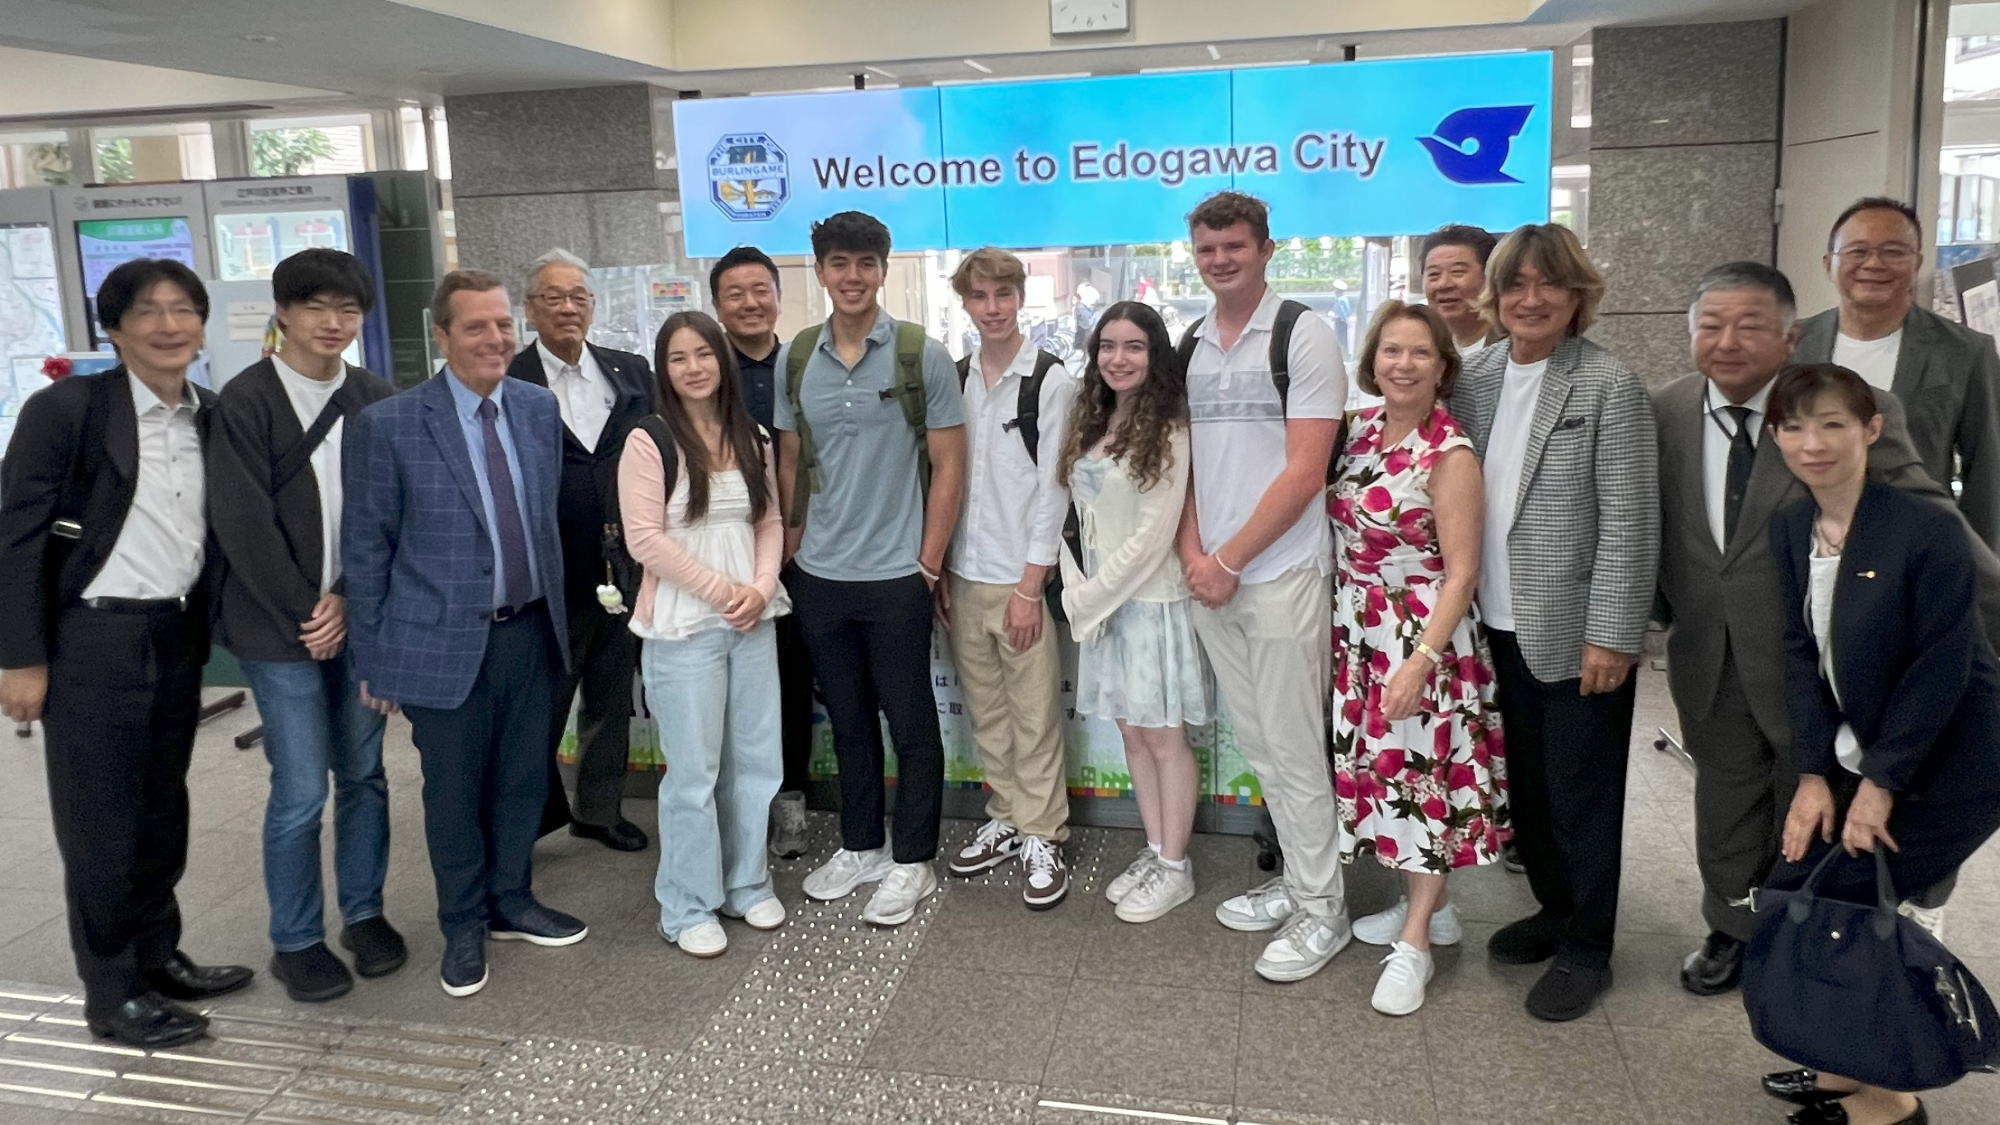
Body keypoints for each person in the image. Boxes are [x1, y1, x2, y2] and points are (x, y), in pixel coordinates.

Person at [1653, 261, 2000, 999]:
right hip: (1707, 649)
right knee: (1724, 797)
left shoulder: (1845, 408)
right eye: (1711, 325)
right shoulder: (1666, 408)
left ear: (1791, 337)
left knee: (1808, 795)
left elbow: (1928, 512)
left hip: (1812, 660)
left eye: (1750, 325)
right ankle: (1730, 925)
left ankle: (1801, 932)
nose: (1727, 341)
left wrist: (1990, 601)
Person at [0, 259, 251, 1048]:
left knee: (160, 811)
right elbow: (15, 538)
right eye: (147, 310)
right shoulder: (67, 409)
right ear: (113, 328)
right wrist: (20, 657)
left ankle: (157, 954)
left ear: (202, 324)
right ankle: (111, 994)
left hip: (173, 634)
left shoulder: (209, 414)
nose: (169, 325)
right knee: (101, 824)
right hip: (91, 639)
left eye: (184, 309)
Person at [1754, 362, 2000, 1125]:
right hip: (1868, 749)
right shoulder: (1793, 527)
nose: (1813, 442)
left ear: (1871, 429)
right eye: (1795, 425)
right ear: (1776, 436)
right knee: (1805, 885)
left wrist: (1880, 784)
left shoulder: (1924, 528)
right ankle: (1840, 1071)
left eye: (1833, 423)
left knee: (1852, 901)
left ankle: (1890, 1099)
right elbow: (1801, 654)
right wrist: (1812, 774)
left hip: (1958, 759)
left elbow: (1941, 667)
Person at [344, 270, 588, 998]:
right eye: (476, 326)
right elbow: (367, 548)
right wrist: (373, 657)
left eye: (503, 324)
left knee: (522, 781)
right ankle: (462, 925)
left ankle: (512, 900)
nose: (495, 338)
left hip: (531, 632)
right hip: (440, 643)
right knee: (453, 795)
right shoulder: (389, 423)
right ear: (442, 336)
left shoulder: (537, 408)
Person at [1450, 223, 1658, 1021]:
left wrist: (1613, 632)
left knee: (1582, 796)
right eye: (1515, 284)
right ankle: (1552, 906)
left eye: (1548, 283)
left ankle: (1587, 945)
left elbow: (1630, 520)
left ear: (1578, 295)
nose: (1530, 298)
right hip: (1489, 626)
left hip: (1574, 631)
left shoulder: (1608, 385)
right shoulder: (1476, 375)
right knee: (1527, 790)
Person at [208, 249, 401, 1002]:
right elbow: (241, 521)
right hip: (274, 628)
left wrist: (347, 598)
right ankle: (295, 939)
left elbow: (390, 510)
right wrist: (307, 611)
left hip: (357, 619)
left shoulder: (373, 396)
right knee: (298, 788)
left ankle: (364, 913)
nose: (332, 322)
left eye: (347, 309)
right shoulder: (246, 400)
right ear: (283, 312)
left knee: (364, 774)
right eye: (315, 306)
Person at [1173, 191, 1350, 983]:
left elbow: (1305, 471)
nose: (1220, 260)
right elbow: (1180, 468)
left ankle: (1324, 910)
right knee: (1262, 748)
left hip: (1279, 576)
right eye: (1208, 249)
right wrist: (1194, 556)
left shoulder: (1302, 334)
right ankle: (1301, 882)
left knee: (1295, 749)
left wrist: (1230, 559)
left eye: (1234, 246)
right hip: (1213, 581)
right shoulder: (1189, 344)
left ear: (1266, 249)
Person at [776, 212, 967, 928]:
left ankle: (913, 858)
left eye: (865, 263)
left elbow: (950, 463)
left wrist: (929, 562)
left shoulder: (921, 354)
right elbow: (791, 461)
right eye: (838, 263)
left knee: (910, 720)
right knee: (849, 720)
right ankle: (861, 844)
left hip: (897, 575)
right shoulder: (799, 357)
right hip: (820, 574)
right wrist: (791, 556)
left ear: (883, 271)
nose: (851, 276)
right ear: (820, 271)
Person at [1329, 300, 1507, 1017]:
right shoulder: (1359, 431)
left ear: (1442, 367)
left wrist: (1420, 660)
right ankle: (1431, 909)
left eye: (1420, 353)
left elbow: (1462, 574)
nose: (1403, 364)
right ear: (1373, 360)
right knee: (1387, 776)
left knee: (1425, 779)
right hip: (1360, 630)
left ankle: (1415, 945)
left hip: (1420, 636)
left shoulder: (1450, 453)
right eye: (1391, 350)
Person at [620, 311, 789, 957]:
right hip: (684, 627)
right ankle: (687, 904)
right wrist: (724, 592)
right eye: (678, 357)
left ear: (723, 360)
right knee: (693, 773)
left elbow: (769, 520)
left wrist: (761, 586)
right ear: (663, 370)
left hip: (753, 619)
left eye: (703, 354)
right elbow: (645, 540)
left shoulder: (753, 435)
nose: (693, 368)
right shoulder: (650, 440)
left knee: (755, 760)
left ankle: (747, 883)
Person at [1059, 301, 1212, 923]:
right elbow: (1079, 520)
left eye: (1133, 347)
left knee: (1164, 738)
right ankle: (1155, 848)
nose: (1117, 359)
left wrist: (1087, 599)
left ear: (1155, 355)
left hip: (1149, 604)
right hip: (1104, 609)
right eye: (1107, 346)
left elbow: (1153, 537)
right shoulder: (1094, 421)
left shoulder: (1171, 428)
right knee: (1131, 734)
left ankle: (1176, 865)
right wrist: (1083, 591)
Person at [942, 247, 1079, 910]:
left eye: (1002, 294)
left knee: (1034, 715)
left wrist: (1030, 588)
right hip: (963, 574)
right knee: (989, 715)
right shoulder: (954, 378)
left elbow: (1055, 489)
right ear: (965, 302)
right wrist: (940, 568)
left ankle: (1044, 832)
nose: (992, 308)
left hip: (1020, 580)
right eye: (979, 296)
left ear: (1021, 298)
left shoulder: (1049, 381)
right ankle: (1006, 815)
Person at [507, 249, 653, 853]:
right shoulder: (509, 377)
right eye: (553, 296)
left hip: (622, 568)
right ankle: (529, 820)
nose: (568, 307)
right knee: (539, 706)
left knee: (611, 698)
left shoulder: (631, 372)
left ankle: (599, 809)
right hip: (544, 575)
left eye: (578, 296)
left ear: (592, 306)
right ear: (529, 308)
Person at [1792, 197, 2000, 548]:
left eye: (1893, 251)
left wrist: (1977, 563)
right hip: (1804, 545)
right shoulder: (1791, 345)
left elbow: (1987, 473)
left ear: (1917, 262)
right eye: (1858, 251)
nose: (1874, 263)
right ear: (1829, 263)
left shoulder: (1965, 352)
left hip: (1915, 548)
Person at [708, 245, 815, 861]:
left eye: (760, 290)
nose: (750, 303)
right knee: (725, 688)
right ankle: (732, 807)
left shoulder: (804, 364)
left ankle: (789, 802)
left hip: (799, 549)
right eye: (735, 293)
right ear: (717, 304)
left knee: (791, 681)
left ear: (778, 296)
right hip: (718, 555)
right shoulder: (702, 367)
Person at [1419, 224, 1502, 361]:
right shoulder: (1419, 347)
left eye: (1457, 272)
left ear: (1489, 277)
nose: (1444, 284)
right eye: (1434, 274)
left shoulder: (1514, 347)